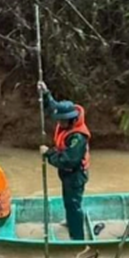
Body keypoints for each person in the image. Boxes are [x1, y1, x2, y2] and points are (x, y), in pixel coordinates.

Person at [37, 82, 91, 241]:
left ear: (72, 120)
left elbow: (68, 161)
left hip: (75, 174)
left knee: (73, 204)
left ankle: (77, 238)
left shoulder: (77, 137)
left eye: (62, 121)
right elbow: (53, 106)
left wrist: (48, 153)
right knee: (68, 200)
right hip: (67, 174)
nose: (59, 123)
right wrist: (45, 93)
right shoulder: (66, 121)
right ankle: (70, 221)